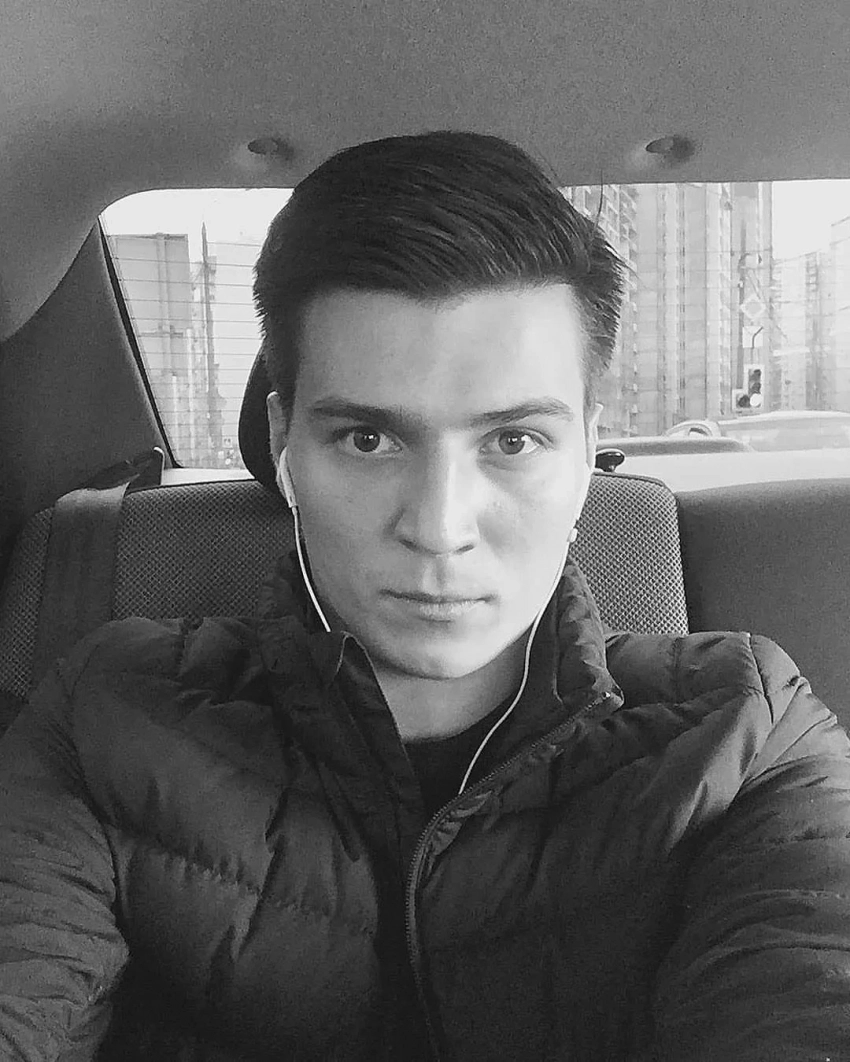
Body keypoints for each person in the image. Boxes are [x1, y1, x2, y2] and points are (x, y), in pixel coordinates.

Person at [1, 131, 850, 1062]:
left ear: (584, 455)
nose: (440, 528)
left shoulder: (745, 732)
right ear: (284, 447)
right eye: (368, 440)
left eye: (513, 441)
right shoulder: (107, 716)